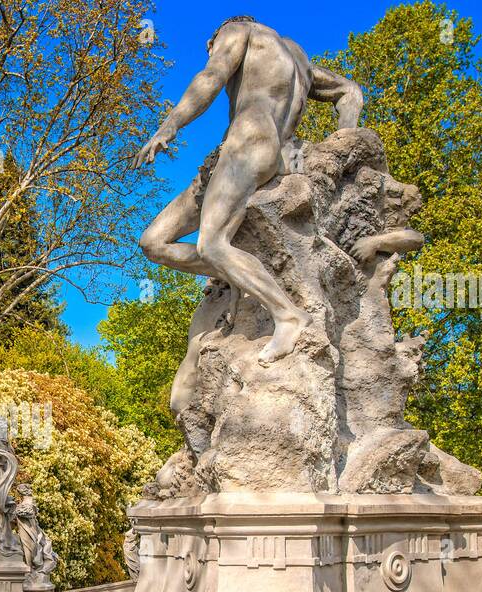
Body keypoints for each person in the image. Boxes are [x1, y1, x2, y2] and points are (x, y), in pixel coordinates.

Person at [132, 16, 363, 365]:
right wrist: (338, 146)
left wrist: (169, 125)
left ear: (215, 39)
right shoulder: (298, 57)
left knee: (211, 243)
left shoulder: (238, 31)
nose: (213, 51)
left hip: (249, 140)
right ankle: (234, 272)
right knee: (153, 242)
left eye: (210, 48)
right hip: (244, 155)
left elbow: (211, 77)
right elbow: (351, 92)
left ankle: (287, 316)